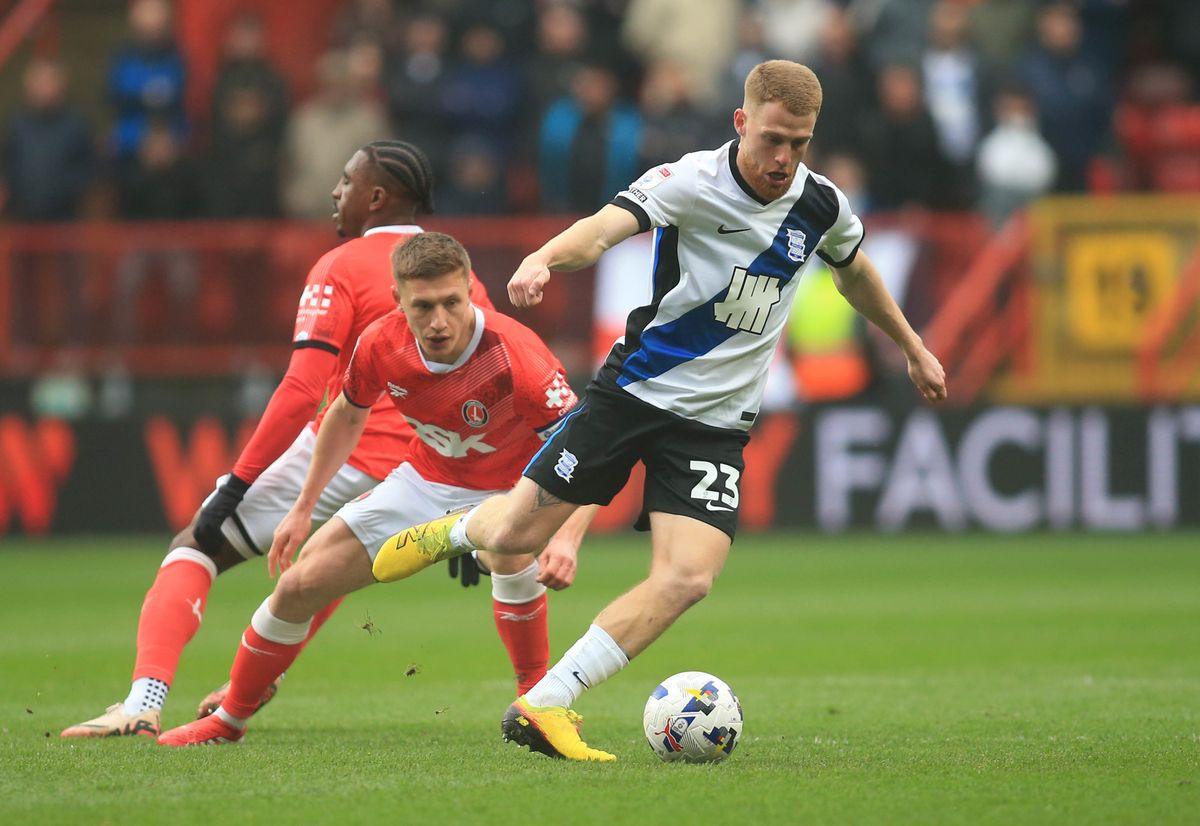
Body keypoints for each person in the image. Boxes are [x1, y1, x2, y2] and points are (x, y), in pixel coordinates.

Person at [368, 60, 948, 762]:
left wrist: (913, 347)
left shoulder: (820, 203)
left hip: (717, 425)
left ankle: (544, 704)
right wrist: (544, 259)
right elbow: (603, 229)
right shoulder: (689, 182)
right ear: (741, 123)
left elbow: (853, 270)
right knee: (515, 537)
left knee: (689, 578)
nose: (784, 158)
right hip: (634, 394)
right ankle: (451, 533)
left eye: (799, 143)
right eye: (772, 139)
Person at [61, 142, 569, 738]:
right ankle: (239, 697)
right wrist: (467, 495)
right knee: (324, 574)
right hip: (421, 457)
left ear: (374, 196)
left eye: (345, 180)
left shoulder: (342, 266)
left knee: (198, 542)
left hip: (367, 455)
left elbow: (305, 390)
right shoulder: (452, 273)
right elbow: (462, 388)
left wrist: (241, 481)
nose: (335, 193)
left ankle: (143, 702)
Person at [156, 232, 594, 747]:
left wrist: (565, 539)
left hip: (512, 489)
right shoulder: (381, 342)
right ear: (397, 301)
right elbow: (343, 415)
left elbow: (588, 453)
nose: (438, 322)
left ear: (471, 293)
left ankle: (536, 703)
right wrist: (303, 508)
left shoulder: (516, 355)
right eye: (423, 306)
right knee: (300, 584)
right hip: (425, 481)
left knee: (509, 548)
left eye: (452, 303)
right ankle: (229, 720)